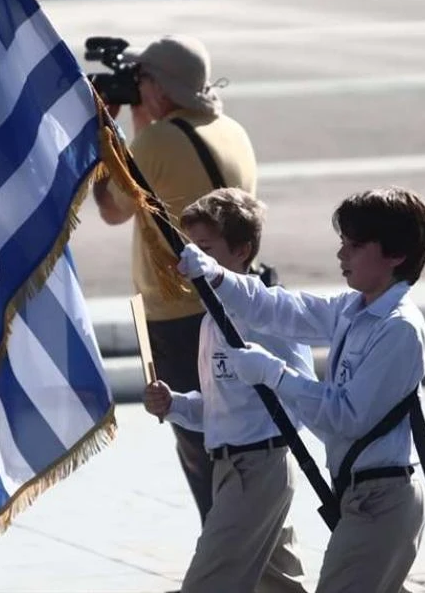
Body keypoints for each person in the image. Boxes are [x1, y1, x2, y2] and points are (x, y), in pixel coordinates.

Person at [178, 186, 425, 593]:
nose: (341, 256)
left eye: (354, 246)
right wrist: (219, 276)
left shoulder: (399, 327)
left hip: (382, 499)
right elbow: (279, 308)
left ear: (395, 255)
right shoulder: (352, 310)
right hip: (359, 495)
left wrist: (276, 375)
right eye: (343, 244)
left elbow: (346, 418)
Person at [92, 34, 257, 524]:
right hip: (231, 305)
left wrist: (106, 128)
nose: (136, 87)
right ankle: (246, 554)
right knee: (233, 443)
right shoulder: (231, 129)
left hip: (177, 315)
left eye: (141, 79)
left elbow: (110, 209)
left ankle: (223, 560)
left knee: (200, 447)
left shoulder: (158, 141)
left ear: (160, 89)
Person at [143, 188, 311, 592]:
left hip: (257, 467)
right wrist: (176, 404)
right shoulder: (211, 319)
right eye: (190, 248)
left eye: (204, 248)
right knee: (280, 585)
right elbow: (219, 404)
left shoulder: (268, 312)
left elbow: (302, 394)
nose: (189, 261)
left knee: (209, 581)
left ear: (242, 251)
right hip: (229, 466)